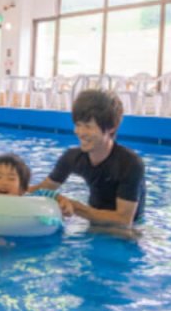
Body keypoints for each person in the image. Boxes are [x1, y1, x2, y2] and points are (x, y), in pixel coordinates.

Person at [30, 89, 146, 227]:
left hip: (128, 230)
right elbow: (42, 188)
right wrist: (8, 188)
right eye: (78, 125)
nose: (79, 132)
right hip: (92, 221)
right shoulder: (72, 157)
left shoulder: (130, 163)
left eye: (88, 126)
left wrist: (75, 207)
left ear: (111, 128)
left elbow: (124, 220)